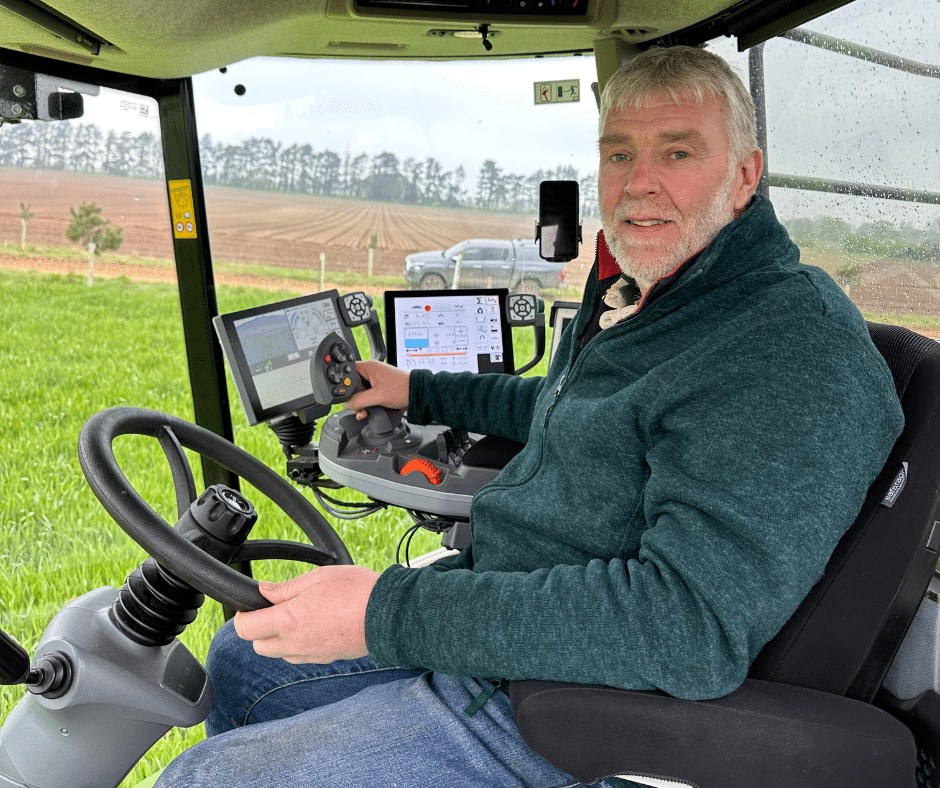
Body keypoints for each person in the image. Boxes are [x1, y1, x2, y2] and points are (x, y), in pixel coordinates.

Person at [156, 46, 903, 788]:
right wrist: (415, 390)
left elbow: (686, 627)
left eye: (677, 152)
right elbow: (563, 404)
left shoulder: (781, 346)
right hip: (517, 622)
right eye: (619, 154)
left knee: (202, 781)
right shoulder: (657, 295)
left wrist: (385, 609)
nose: (638, 184)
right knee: (241, 661)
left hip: (573, 715)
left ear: (745, 174)